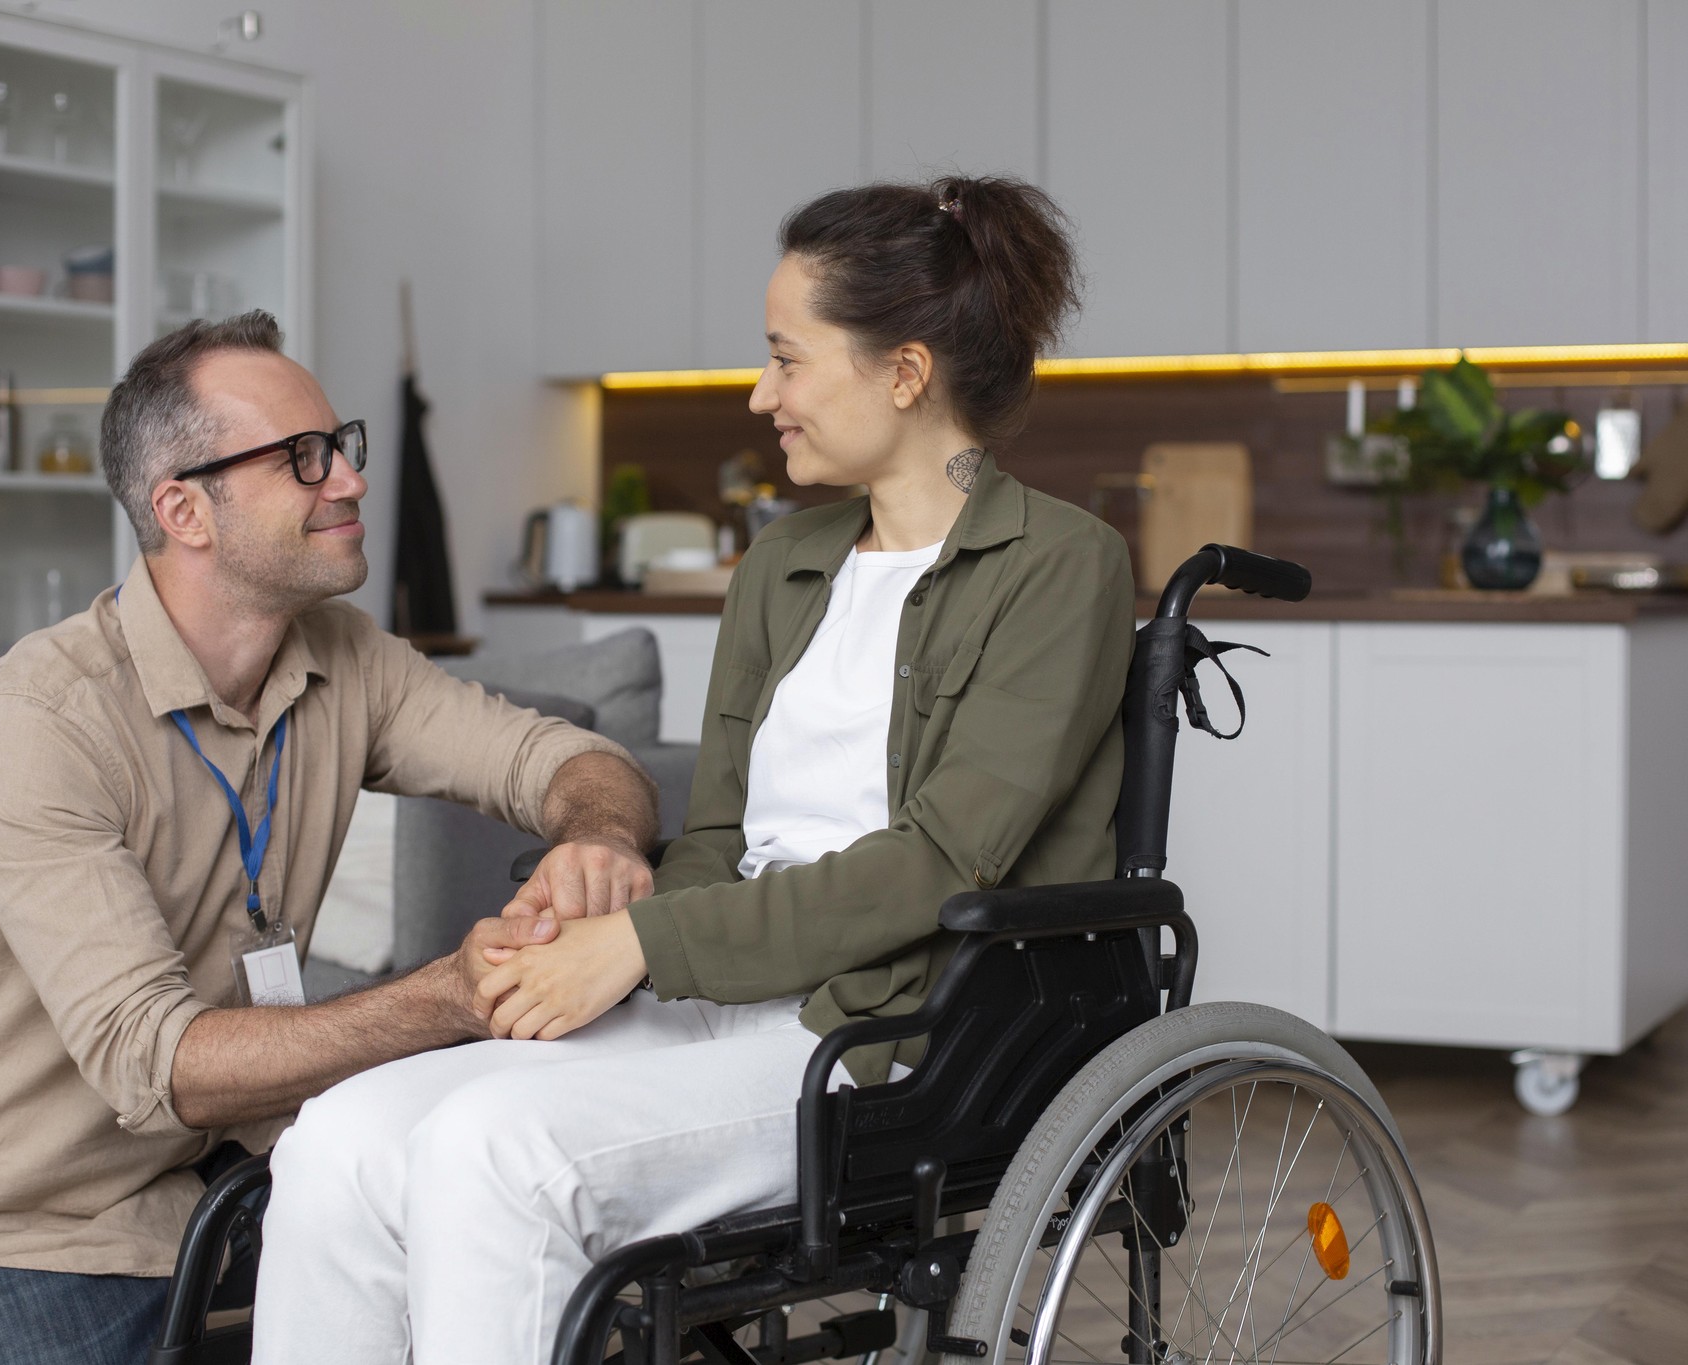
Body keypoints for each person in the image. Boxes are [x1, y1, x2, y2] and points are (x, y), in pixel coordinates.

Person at [250, 175, 1135, 1365]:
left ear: (905, 374)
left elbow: (940, 861)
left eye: (786, 358)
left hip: (890, 1033)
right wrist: (604, 916)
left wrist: (642, 948)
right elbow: (716, 837)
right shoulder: (785, 563)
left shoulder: (1060, 567)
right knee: (339, 1136)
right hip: (713, 995)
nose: (761, 394)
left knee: (488, 1157)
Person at [0, 312, 661, 1365]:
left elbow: (569, 760)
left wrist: (598, 839)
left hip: (243, 1187)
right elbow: (160, 1064)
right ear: (183, 510)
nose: (347, 478)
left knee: (553, 1289)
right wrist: (446, 996)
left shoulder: (350, 658)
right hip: (31, 1239)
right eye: (302, 458)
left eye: (339, 445)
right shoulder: (38, 725)